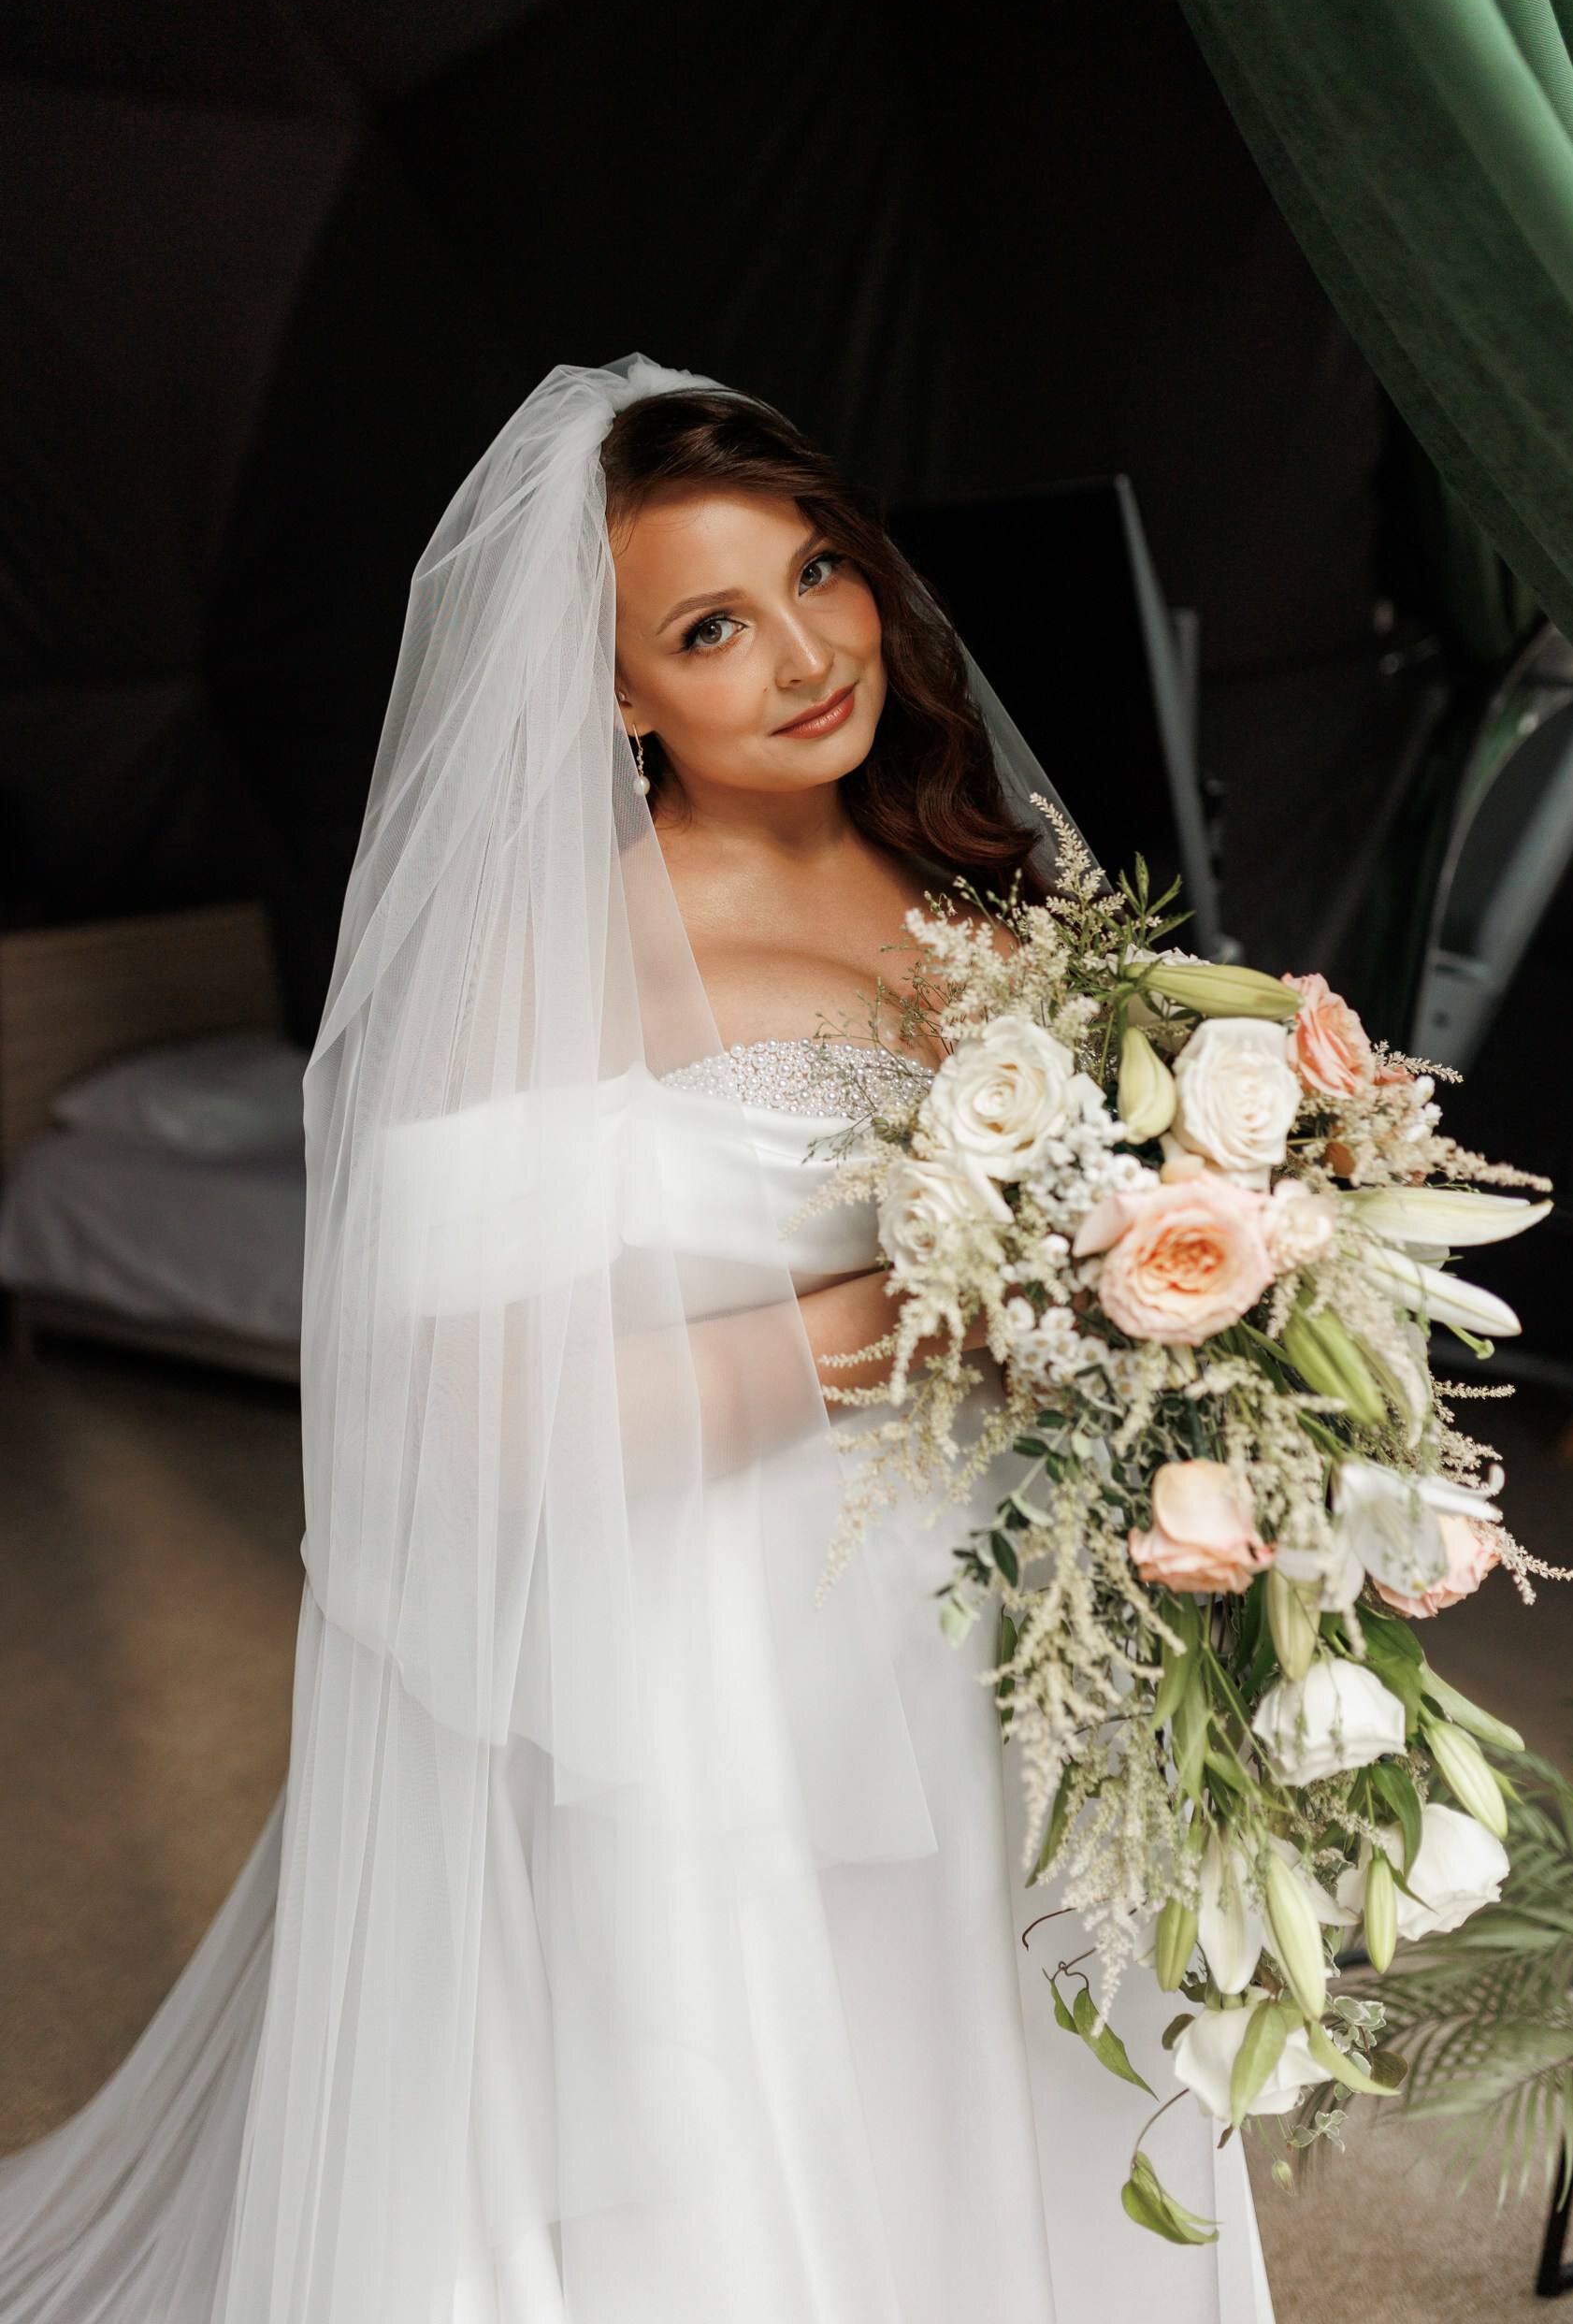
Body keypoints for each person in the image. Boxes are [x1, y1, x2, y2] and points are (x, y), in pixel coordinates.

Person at [0, 356, 1274, 2321]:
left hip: (1002, 1600)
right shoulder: (559, 953)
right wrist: (922, 1314)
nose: (806, 654)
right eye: (709, 628)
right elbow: (486, 1419)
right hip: (720, 1646)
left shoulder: (979, 868)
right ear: (612, 696)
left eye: (818, 572)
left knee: (1018, 2021)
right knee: (762, 2088)